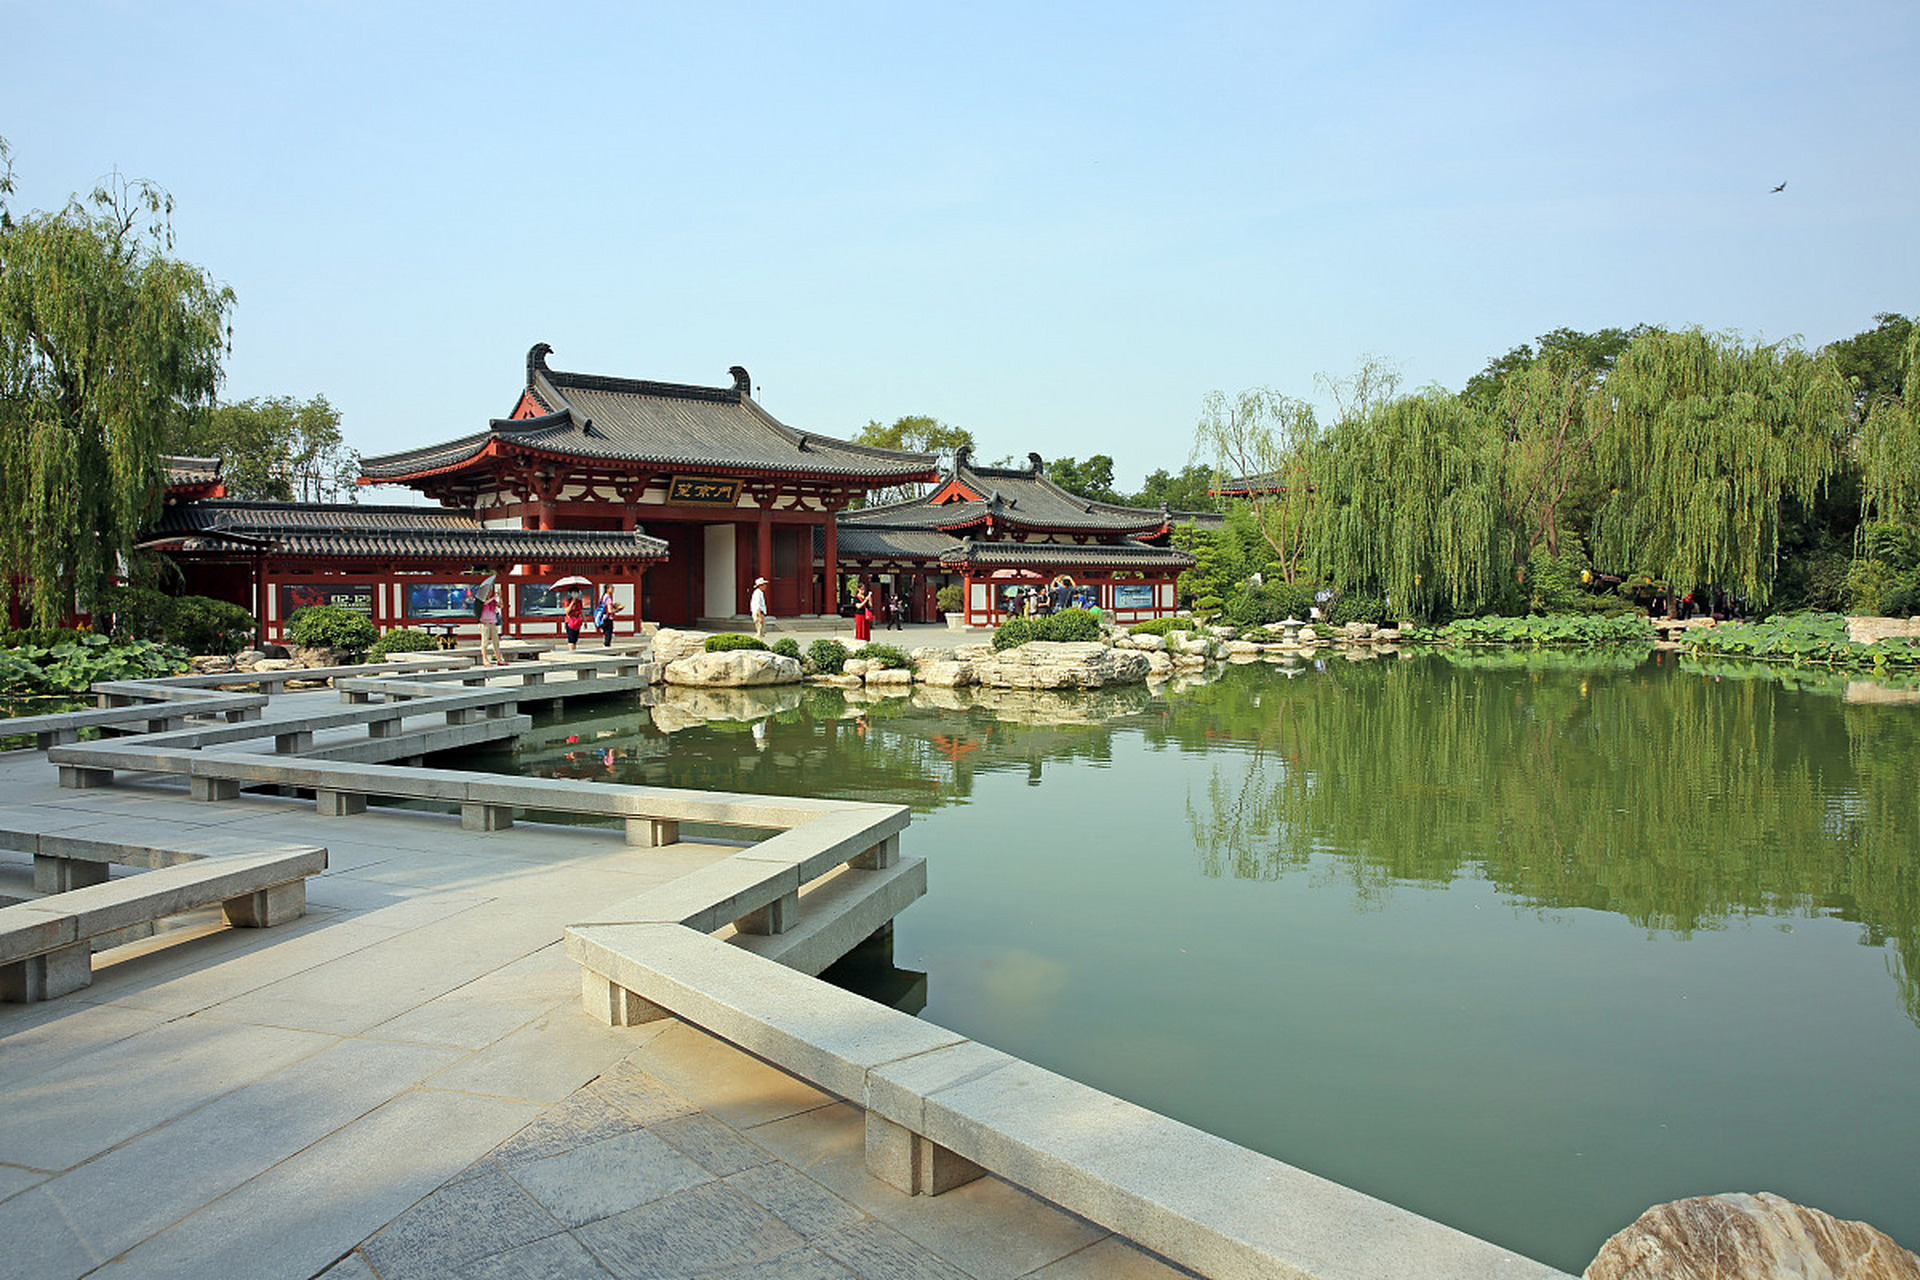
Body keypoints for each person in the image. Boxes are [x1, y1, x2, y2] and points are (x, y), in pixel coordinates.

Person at [478, 586, 504, 666]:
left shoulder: (493, 601)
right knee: (485, 641)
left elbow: (501, 606)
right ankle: (485, 659)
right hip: (485, 623)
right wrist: (494, 597)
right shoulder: (481, 600)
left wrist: (500, 597)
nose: (489, 593)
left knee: (496, 641)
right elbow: (484, 603)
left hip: (493, 622)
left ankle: (499, 658)